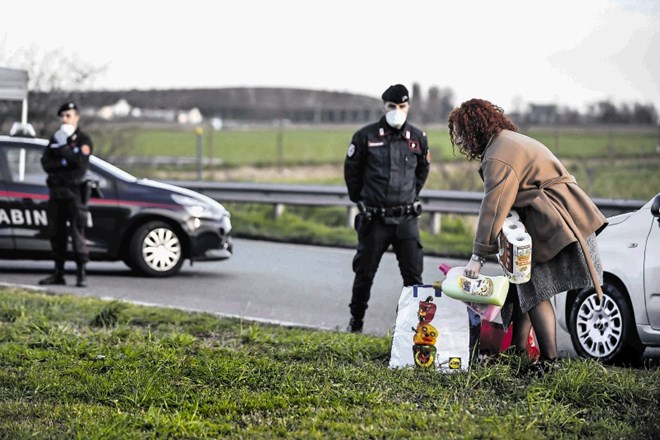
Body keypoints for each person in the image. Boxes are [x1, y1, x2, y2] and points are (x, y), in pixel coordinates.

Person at [447, 98, 607, 368]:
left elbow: (494, 206)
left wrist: (478, 255)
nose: (461, 141)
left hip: (557, 222)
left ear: (474, 128)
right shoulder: (508, 140)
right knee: (526, 286)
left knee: (535, 290)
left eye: (462, 133)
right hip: (563, 217)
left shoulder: (498, 153)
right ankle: (518, 353)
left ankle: (550, 362)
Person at [344, 84, 431, 333]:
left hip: (406, 219)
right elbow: (352, 173)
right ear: (384, 107)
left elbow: (422, 172)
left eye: (402, 106)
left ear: (408, 107)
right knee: (365, 273)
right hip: (375, 218)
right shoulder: (365, 136)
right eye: (392, 106)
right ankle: (356, 323)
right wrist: (362, 200)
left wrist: (409, 195)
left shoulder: (417, 138)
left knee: (414, 277)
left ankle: (413, 329)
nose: (397, 111)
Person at [39, 101, 94, 287]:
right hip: (56, 192)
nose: (64, 119)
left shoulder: (83, 140)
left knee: (77, 234)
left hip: (74, 194)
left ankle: (81, 273)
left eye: (68, 115)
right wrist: (63, 161)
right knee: (57, 234)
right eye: (62, 116)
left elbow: (80, 164)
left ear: (76, 117)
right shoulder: (56, 138)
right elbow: (46, 163)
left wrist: (63, 150)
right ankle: (58, 273)